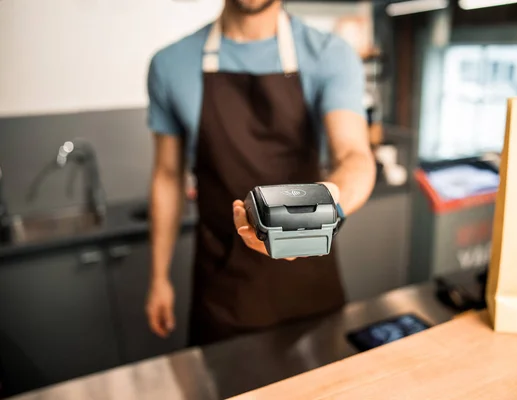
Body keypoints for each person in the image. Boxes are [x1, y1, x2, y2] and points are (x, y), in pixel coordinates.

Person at [145, 0, 376, 346]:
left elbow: (355, 156)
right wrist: (159, 277)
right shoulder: (170, 64)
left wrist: (322, 212)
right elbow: (167, 175)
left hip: (309, 281)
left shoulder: (329, 54)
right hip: (224, 288)